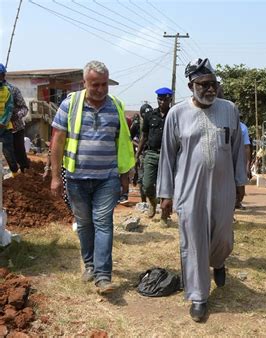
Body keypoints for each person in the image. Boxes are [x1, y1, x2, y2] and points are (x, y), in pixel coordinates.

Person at [157, 58, 247, 322]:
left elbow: (237, 147)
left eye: (213, 84)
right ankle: (198, 296)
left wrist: (240, 182)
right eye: (204, 85)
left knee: (223, 237)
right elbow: (167, 157)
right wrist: (166, 194)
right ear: (191, 85)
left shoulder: (229, 109)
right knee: (194, 241)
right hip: (189, 189)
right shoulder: (177, 114)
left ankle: (218, 262)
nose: (210, 90)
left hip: (223, 187)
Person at [50, 61, 135, 295]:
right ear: (84, 83)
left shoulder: (116, 106)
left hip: (107, 178)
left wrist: (125, 176)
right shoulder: (70, 104)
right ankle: (89, 264)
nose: (100, 89)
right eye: (95, 84)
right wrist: (56, 176)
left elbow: (124, 145)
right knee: (85, 224)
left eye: (104, 84)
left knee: (103, 223)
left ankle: (103, 275)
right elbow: (56, 141)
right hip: (76, 178)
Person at [136, 88, 173, 223]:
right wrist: (137, 154)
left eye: (165, 99)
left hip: (168, 155)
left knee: (167, 186)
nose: (162, 102)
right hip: (151, 154)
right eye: (160, 99)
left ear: (170, 100)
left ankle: (164, 216)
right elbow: (144, 136)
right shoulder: (149, 116)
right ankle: (152, 201)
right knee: (147, 184)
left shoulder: (174, 114)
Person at [2, 66, 30, 173]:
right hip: (2, 128)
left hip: (15, 127)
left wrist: (15, 116)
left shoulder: (13, 90)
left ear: (4, 75)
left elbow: (24, 108)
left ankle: (24, 172)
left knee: (19, 152)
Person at [0, 63, 19, 176]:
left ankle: (15, 174)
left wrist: (2, 123)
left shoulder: (7, 91)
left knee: (8, 153)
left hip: (5, 128)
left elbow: (9, 109)